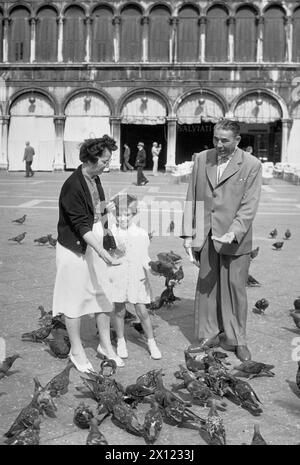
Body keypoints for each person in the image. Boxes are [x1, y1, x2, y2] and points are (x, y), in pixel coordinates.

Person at [181, 119, 262, 362]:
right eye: (216, 138)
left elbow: (249, 205)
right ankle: (208, 335)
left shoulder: (251, 165)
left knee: (235, 289)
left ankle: (238, 339)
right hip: (206, 234)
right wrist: (189, 234)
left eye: (224, 140)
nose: (219, 144)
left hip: (235, 239)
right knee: (207, 287)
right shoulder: (202, 158)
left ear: (237, 140)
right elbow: (192, 197)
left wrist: (234, 231)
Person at [52, 135, 125, 373]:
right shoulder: (72, 185)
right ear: (91, 160)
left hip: (93, 243)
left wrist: (108, 231)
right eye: (105, 160)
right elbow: (80, 226)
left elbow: (99, 210)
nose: (108, 164)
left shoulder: (96, 178)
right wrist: (103, 253)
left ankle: (105, 345)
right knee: (74, 300)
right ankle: (76, 349)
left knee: (102, 296)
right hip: (75, 248)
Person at [108, 193, 162, 361]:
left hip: (137, 277)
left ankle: (151, 342)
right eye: (119, 214)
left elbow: (144, 257)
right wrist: (115, 248)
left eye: (128, 214)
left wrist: (152, 268)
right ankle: (121, 340)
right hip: (118, 276)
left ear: (135, 214)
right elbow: (106, 254)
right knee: (119, 311)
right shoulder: (110, 232)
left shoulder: (141, 233)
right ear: (114, 214)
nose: (123, 218)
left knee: (142, 312)